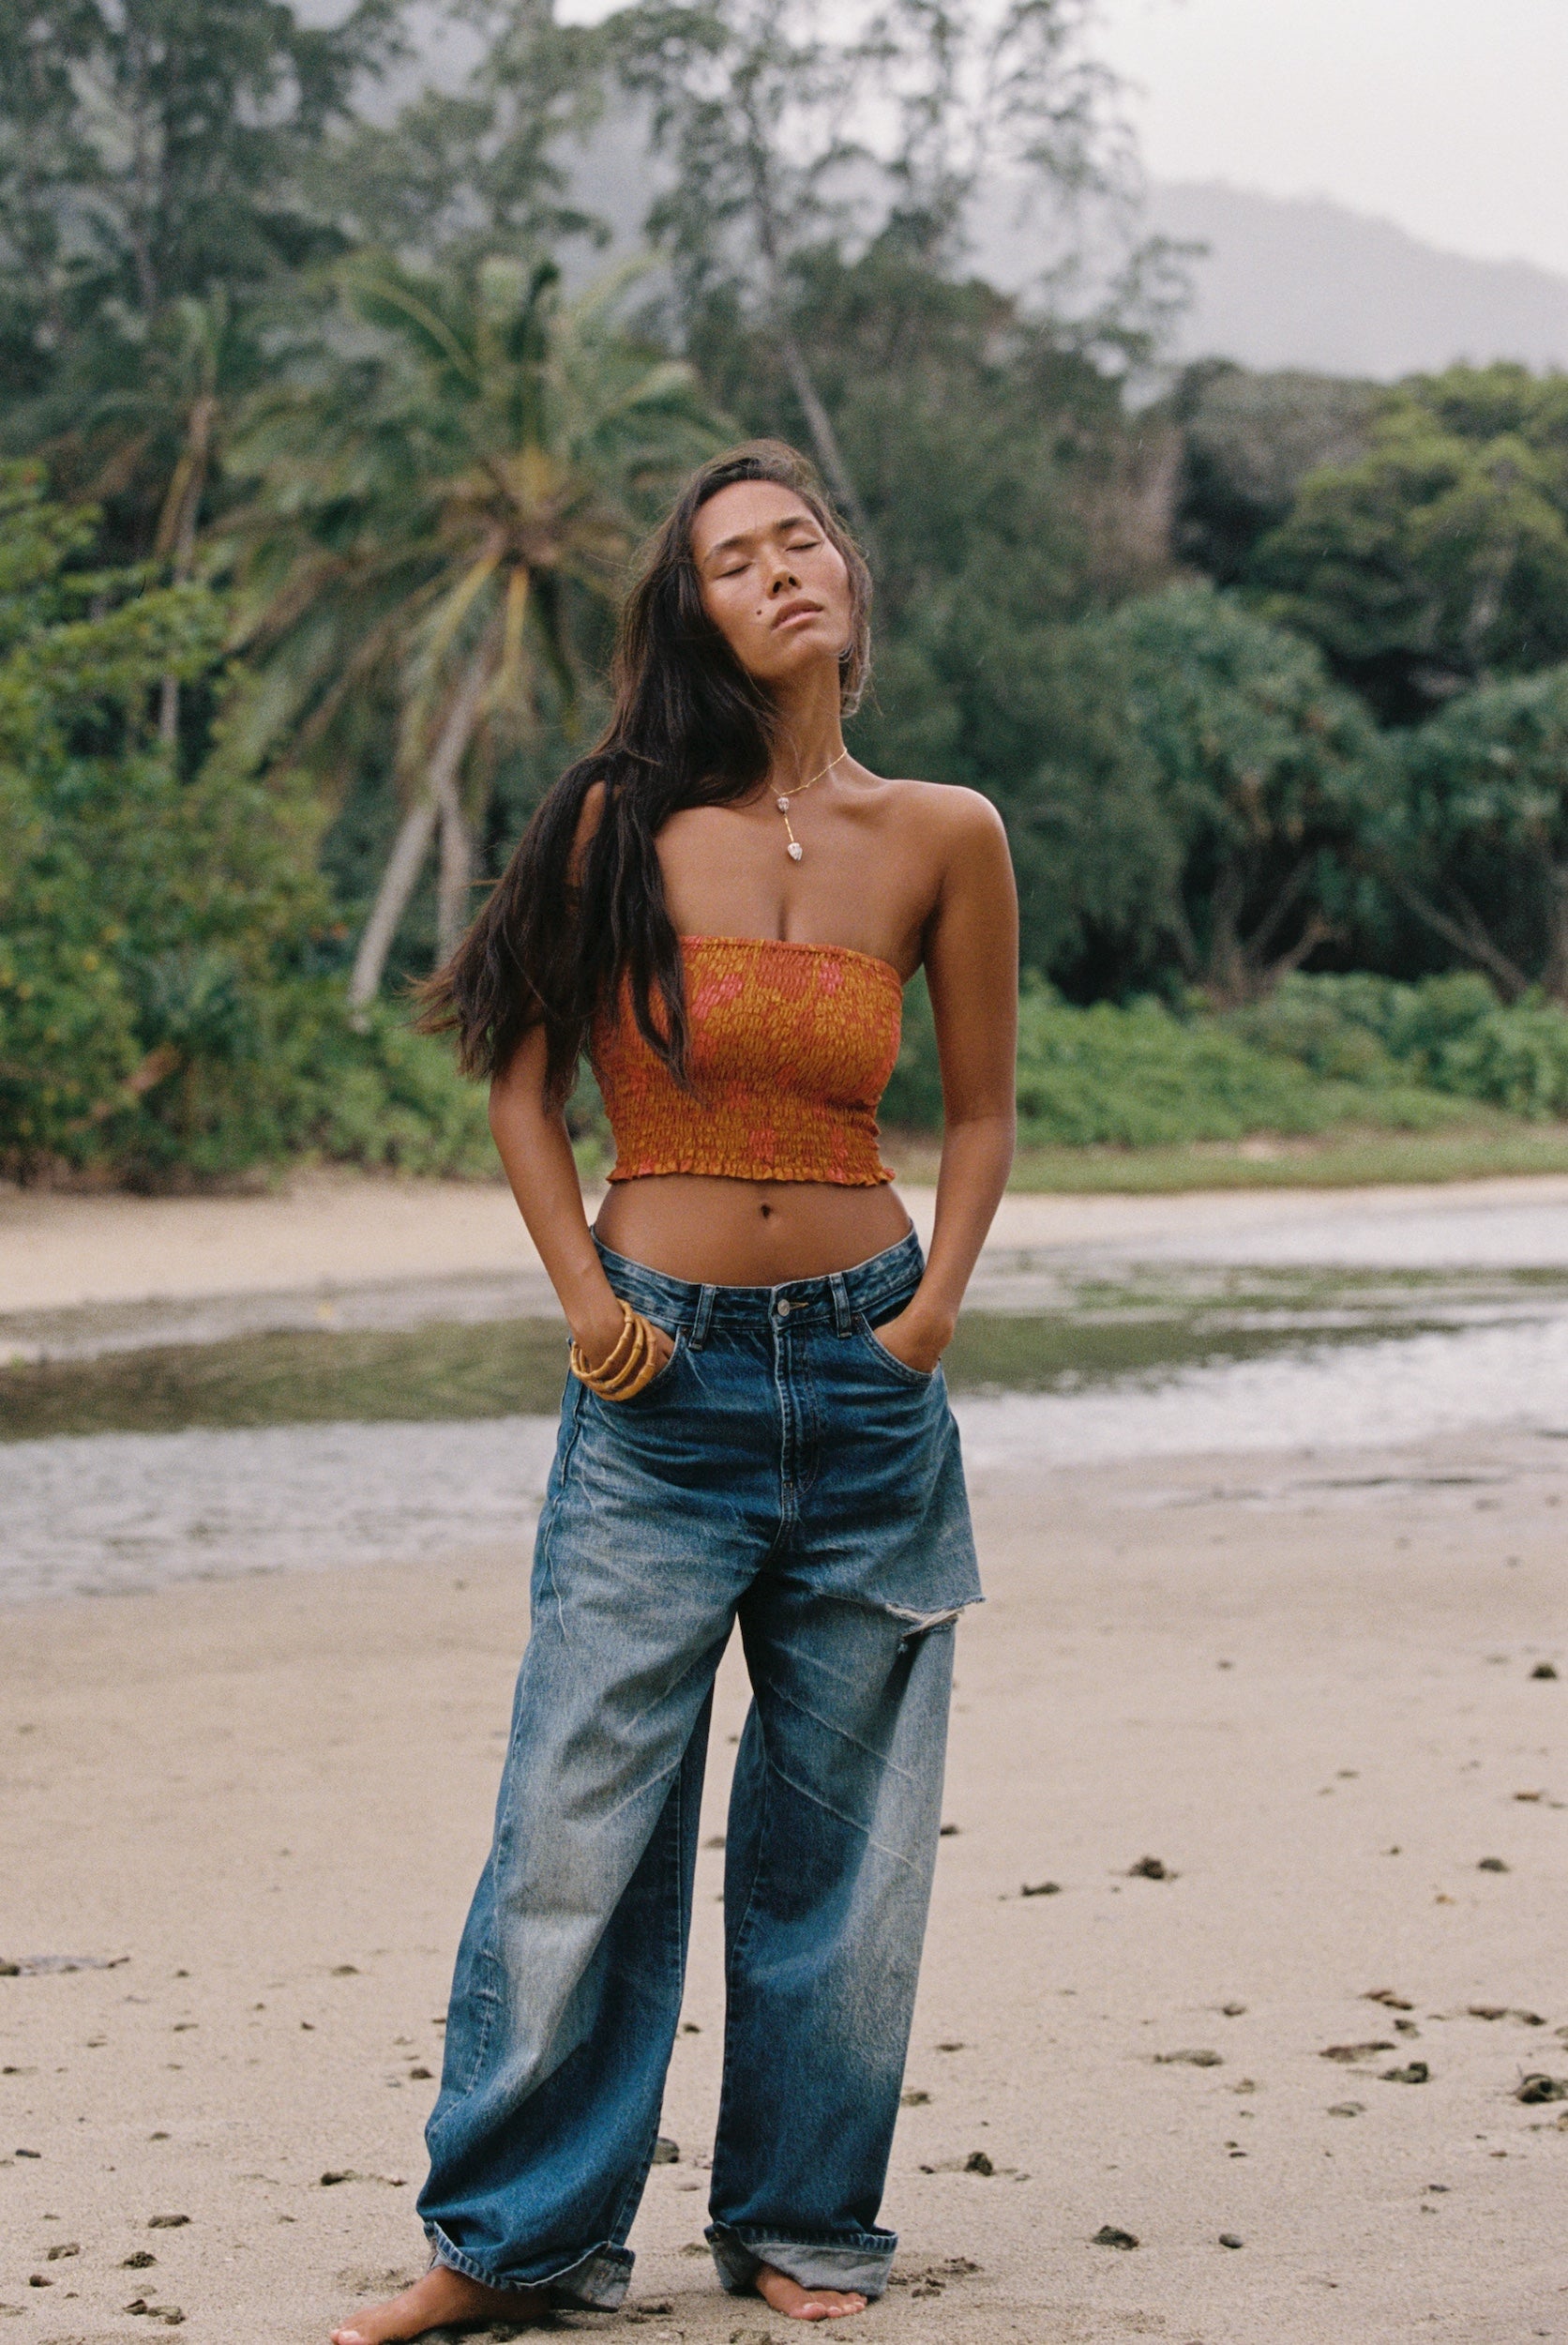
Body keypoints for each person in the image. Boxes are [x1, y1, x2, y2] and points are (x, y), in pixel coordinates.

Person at [331, 440, 1018, 2343]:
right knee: (578, 1819)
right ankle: (506, 2240)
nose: (781, 567)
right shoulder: (610, 820)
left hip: (868, 1376)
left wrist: (927, 1319)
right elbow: (517, 1091)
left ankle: (802, 2218)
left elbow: (972, 1108)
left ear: (844, 574)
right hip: (657, 1384)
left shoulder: (942, 831)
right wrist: (583, 1301)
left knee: (843, 1840)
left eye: (802, 534)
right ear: (694, 611)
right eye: (736, 555)